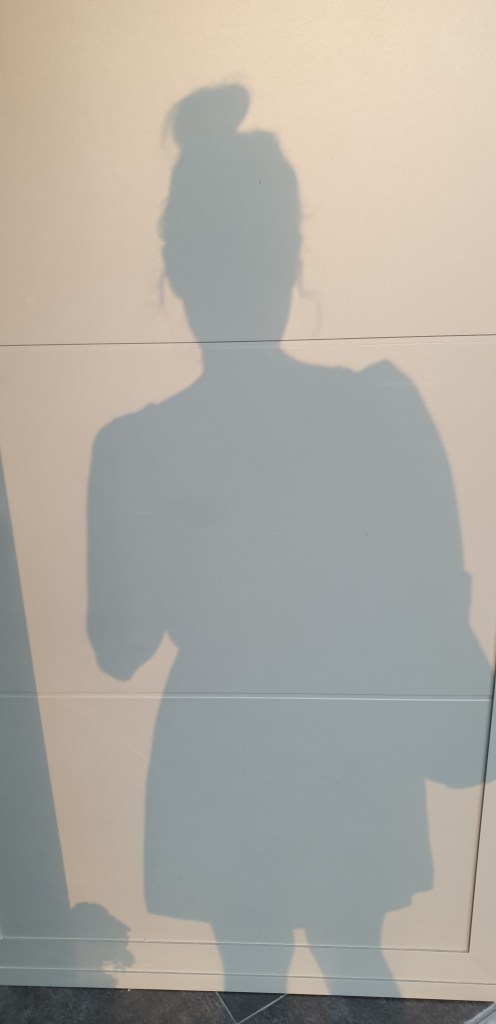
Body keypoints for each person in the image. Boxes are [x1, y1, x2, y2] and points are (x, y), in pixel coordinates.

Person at [87, 85, 491, 991]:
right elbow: (433, 597)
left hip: (224, 741)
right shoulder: (376, 411)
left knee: (253, 972)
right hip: (347, 733)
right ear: (290, 260)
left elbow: (118, 647)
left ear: (177, 271)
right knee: (357, 958)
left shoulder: (135, 449)